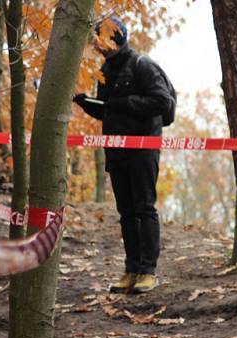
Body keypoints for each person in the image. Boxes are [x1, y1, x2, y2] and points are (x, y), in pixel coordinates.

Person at [73, 16, 174, 294]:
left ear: (114, 38)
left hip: (143, 149)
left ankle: (148, 271)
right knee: (126, 212)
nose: (96, 45)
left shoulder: (142, 65)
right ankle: (131, 269)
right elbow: (108, 109)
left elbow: (162, 101)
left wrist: (125, 103)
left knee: (144, 208)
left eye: (100, 39)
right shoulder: (106, 69)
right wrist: (85, 104)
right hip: (116, 151)